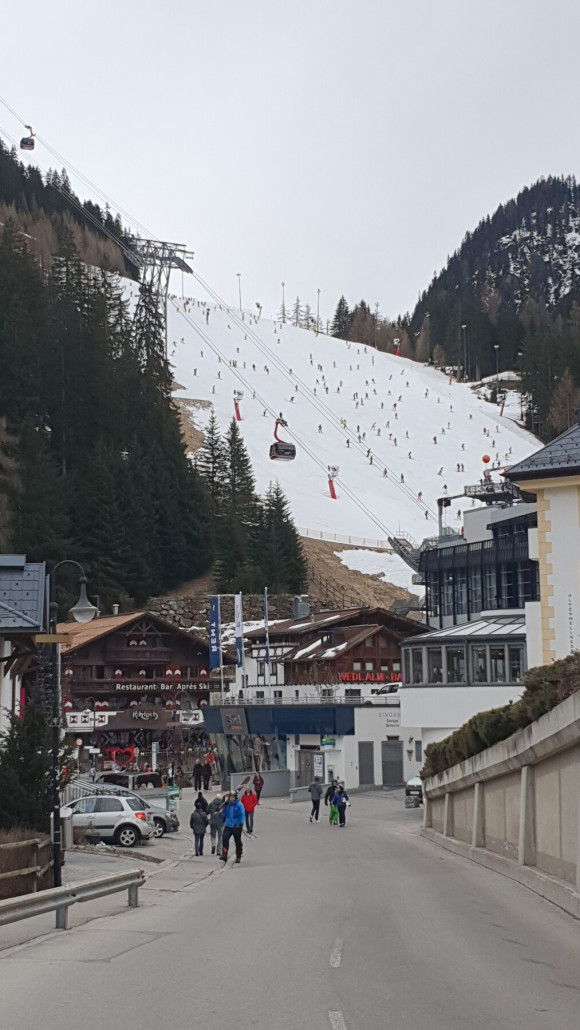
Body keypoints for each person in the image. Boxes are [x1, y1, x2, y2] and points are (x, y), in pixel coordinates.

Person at [220, 791, 245, 864]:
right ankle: (224, 854)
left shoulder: (239, 805)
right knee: (224, 839)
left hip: (236, 825)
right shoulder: (227, 805)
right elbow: (224, 815)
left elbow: (242, 815)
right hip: (228, 825)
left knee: (237, 841)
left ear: (235, 797)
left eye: (233, 797)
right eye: (230, 797)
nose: (232, 799)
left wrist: (241, 823)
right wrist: (222, 812)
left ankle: (238, 856)